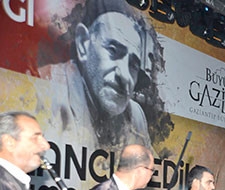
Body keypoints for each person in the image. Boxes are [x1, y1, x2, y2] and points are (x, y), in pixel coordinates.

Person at [39, 0, 152, 155]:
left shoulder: (136, 115)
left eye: (133, 65)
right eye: (113, 51)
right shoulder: (45, 90)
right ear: (83, 44)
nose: (125, 76)